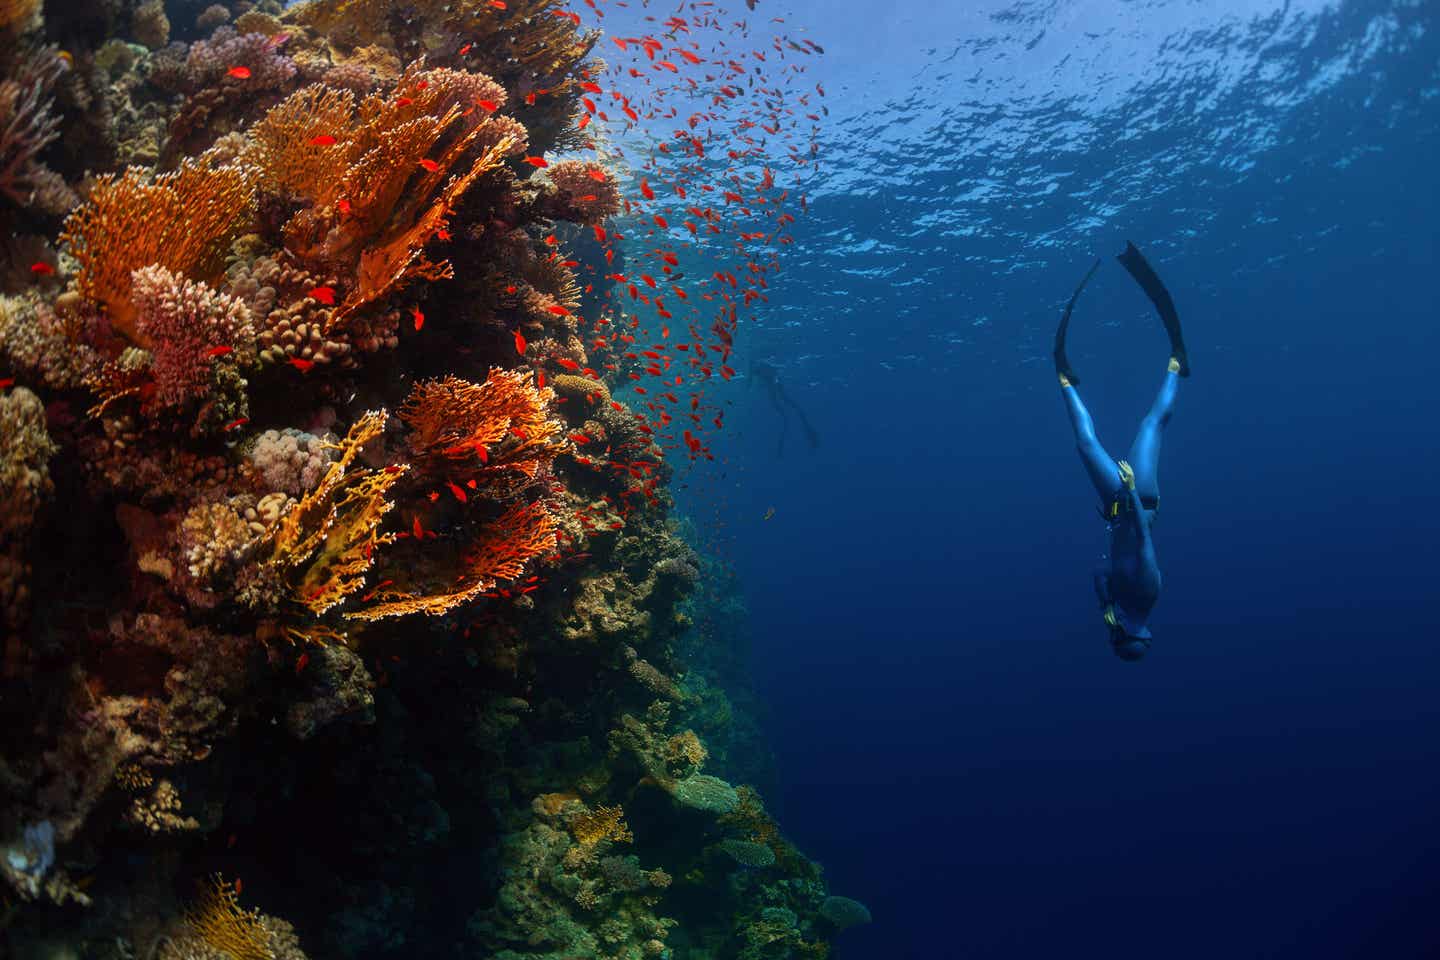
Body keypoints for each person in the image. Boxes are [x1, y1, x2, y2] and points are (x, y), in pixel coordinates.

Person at [1054, 242, 1190, 661]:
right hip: (1136, 499)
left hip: (1121, 505)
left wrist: (1105, 606)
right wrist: (1130, 490)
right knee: (1143, 427)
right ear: (1138, 636)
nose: (1113, 635)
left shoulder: (1119, 608)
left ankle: (1064, 376)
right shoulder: (1148, 594)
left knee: (1095, 441)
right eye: (1119, 639)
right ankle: (1177, 362)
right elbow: (1144, 542)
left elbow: (1099, 572)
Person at [749, 359, 820, 457]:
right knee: (780, 403)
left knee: (783, 402)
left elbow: (774, 372)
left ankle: (798, 428)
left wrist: (775, 381)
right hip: (773, 384)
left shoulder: (763, 366)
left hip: (774, 383)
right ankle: (792, 425)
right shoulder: (758, 369)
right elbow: (760, 379)